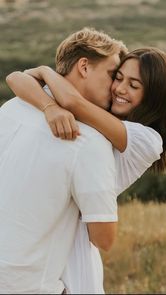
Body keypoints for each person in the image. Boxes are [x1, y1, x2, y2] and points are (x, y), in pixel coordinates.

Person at [6, 45, 166, 293]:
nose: (120, 89)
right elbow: (15, 78)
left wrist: (45, 72)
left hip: (75, 242)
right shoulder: (104, 117)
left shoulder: (147, 140)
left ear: (154, 96)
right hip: (52, 234)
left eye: (134, 85)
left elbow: (71, 101)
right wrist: (48, 105)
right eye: (118, 77)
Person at [0, 27, 128, 294]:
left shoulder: (11, 108)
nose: (116, 86)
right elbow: (104, 238)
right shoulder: (89, 141)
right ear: (84, 66)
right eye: (112, 74)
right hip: (28, 287)